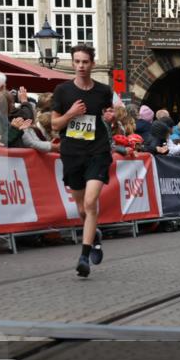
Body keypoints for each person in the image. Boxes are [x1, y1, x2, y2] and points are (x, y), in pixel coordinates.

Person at [51, 44, 115, 278]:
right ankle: (95, 234)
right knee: (81, 209)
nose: (80, 66)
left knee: (90, 203)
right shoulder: (62, 91)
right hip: (72, 153)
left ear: (92, 64)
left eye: (85, 62)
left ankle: (84, 256)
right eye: (77, 62)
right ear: (72, 63)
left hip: (97, 151)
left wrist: (110, 118)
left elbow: (108, 118)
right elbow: (54, 125)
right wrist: (70, 114)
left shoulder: (103, 90)